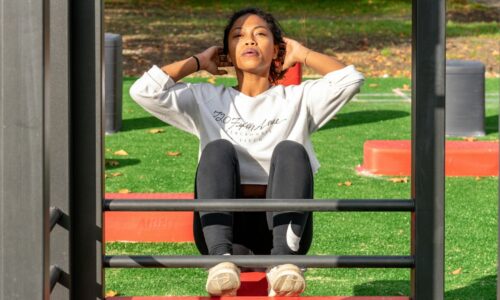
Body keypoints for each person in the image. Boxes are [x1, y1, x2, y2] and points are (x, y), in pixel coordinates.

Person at [130, 7, 364, 297]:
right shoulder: (206, 97)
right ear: (226, 51)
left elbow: (351, 79)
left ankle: (283, 261)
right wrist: (198, 61)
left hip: (285, 229)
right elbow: (143, 91)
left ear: (278, 50)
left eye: (260, 35)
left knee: (292, 150)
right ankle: (219, 260)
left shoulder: (299, 98)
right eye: (238, 36)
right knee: (217, 150)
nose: (249, 41)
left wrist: (301, 53)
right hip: (224, 232)